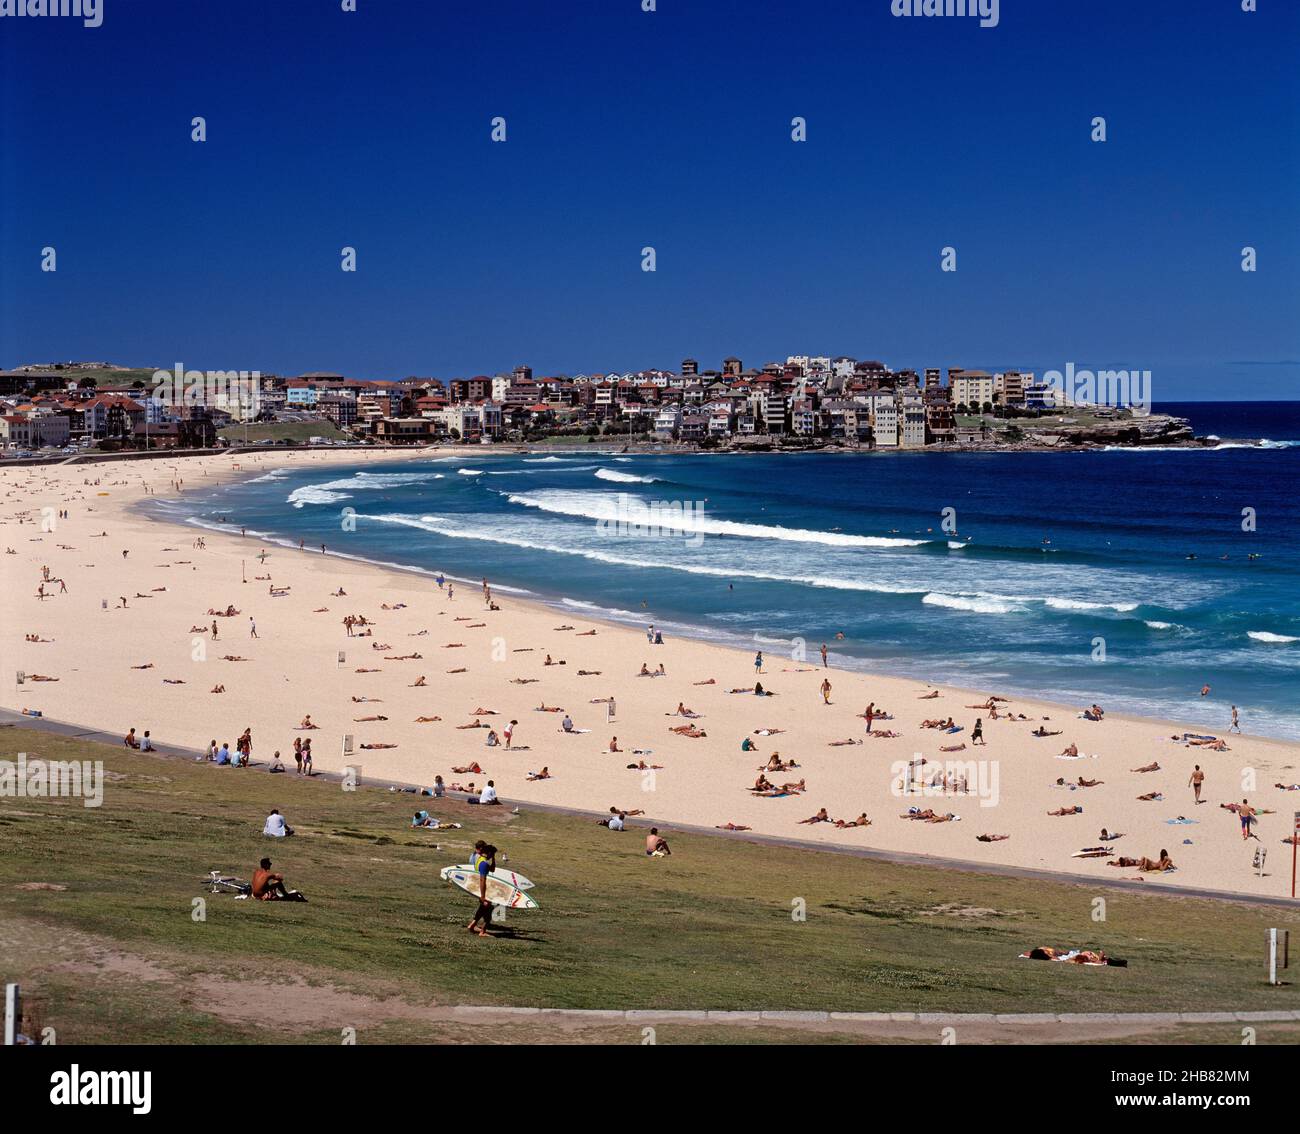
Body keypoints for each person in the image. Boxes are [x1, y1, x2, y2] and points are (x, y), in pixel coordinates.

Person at [467, 843, 497, 937]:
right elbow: (482, 880)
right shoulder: (483, 864)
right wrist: (483, 896)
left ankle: (472, 925)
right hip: (482, 889)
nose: (492, 856)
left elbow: (492, 869)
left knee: (483, 908)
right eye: (492, 854)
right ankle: (482, 931)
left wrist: (494, 858)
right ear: (488, 853)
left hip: (479, 888)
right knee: (489, 908)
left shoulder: (481, 859)